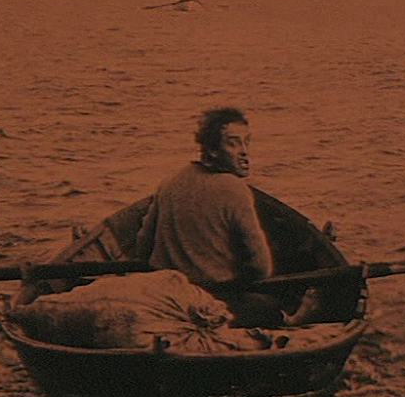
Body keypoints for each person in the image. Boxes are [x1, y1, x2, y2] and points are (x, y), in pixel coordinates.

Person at [136, 107, 319, 327]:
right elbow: (261, 267)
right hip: (208, 300)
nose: (244, 152)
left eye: (246, 142)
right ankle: (291, 321)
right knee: (266, 305)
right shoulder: (234, 189)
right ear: (213, 150)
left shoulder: (170, 182)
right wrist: (241, 280)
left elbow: (143, 246)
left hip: (165, 295)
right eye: (233, 143)